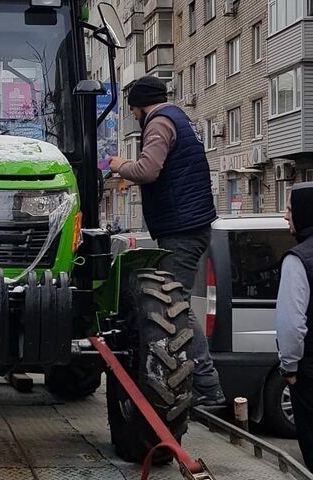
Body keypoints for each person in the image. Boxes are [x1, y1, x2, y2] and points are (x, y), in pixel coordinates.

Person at [109, 75, 224, 406]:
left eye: (133, 109)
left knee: (175, 308)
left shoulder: (159, 123)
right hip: (190, 224)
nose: (134, 116)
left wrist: (120, 166)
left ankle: (206, 385)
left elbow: (148, 170)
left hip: (182, 229)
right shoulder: (179, 118)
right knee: (176, 305)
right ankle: (204, 383)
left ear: (142, 105)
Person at [276, 182, 313, 472]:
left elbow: (291, 326)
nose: (286, 216)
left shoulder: (298, 260)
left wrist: (289, 368)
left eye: (290, 209)